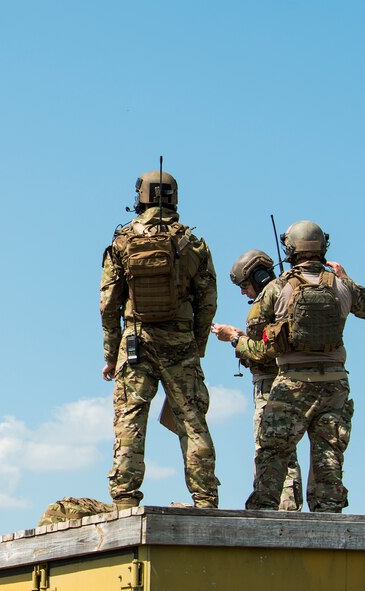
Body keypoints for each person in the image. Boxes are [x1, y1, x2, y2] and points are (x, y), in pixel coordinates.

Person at [100, 168, 219, 509]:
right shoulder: (193, 243)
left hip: (135, 341)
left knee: (130, 420)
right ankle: (205, 499)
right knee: (192, 422)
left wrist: (110, 354)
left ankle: (124, 500)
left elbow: (108, 304)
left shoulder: (121, 241)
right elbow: (208, 302)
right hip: (180, 343)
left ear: (140, 196)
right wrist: (196, 346)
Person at [245, 221, 365, 512]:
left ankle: (263, 510)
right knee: (329, 453)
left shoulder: (279, 286)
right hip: (334, 383)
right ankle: (328, 512)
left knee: (273, 450)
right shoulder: (341, 286)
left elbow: (254, 328)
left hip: (292, 382)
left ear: (291, 249)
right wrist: (346, 277)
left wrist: (278, 330)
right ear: (323, 248)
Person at [211, 249, 303, 511]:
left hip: (270, 386)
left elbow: (263, 352)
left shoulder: (267, 301)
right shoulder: (290, 292)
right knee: (287, 452)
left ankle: (277, 509)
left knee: (271, 450)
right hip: (294, 381)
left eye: (244, 285)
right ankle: (290, 507)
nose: (243, 293)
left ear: (258, 278)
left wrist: (235, 339)